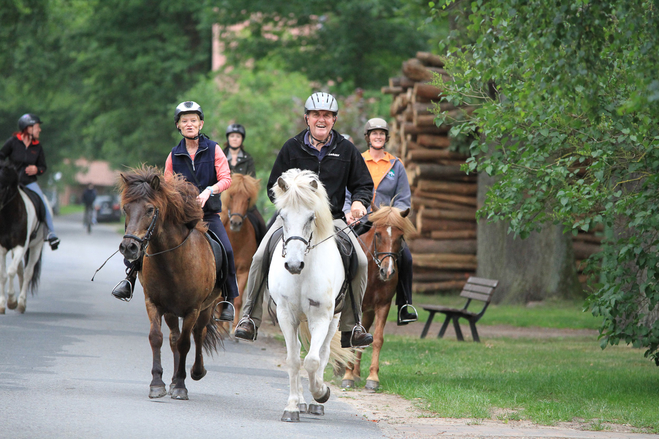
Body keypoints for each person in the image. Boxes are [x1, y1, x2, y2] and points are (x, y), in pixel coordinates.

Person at [234, 92, 375, 348]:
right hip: (292, 219)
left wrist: (358, 202)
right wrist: (288, 197)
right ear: (307, 118)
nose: (321, 120)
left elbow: (363, 184)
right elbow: (272, 186)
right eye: (316, 115)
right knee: (259, 256)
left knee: (362, 261)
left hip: (331, 220)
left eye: (327, 116)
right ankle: (249, 318)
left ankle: (352, 326)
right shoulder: (291, 147)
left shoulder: (346, 150)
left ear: (334, 120)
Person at [111, 101, 240, 321]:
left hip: (207, 215)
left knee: (226, 250)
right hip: (181, 216)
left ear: (201, 123)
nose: (189, 124)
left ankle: (228, 298)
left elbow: (226, 178)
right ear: (178, 126)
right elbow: (167, 186)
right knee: (146, 240)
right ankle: (129, 279)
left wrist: (209, 191)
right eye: (184, 121)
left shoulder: (215, 149)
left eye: (193, 120)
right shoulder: (173, 155)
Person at [344, 118, 418, 325]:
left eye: (382, 133)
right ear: (367, 137)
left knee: (407, 258)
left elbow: (403, 198)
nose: (378, 137)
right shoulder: (357, 160)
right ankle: (338, 296)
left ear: (386, 137)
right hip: (361, 220)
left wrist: (392, 215)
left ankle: (405, 305)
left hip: (386, 224)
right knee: (342, 250)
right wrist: (349, 212)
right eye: (374, 133)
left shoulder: (396, 165)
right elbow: (347, 193)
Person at [0, 114, 60, 250]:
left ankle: (51, 234)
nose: (40, 130)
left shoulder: (38, 147)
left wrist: (36, 169)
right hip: (12, 183)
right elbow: (1, 156)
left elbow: (43, 167)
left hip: (28, 182)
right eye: (37, 127)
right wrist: (7, 168)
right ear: (28, 128)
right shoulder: (13, 142)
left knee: (42, 202)